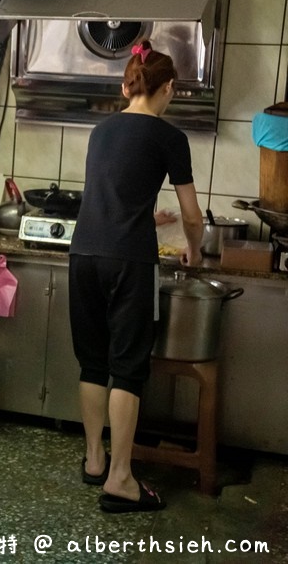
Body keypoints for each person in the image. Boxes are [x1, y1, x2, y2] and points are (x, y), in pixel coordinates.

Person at [68, 40, 204, 513]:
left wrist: (153, 218)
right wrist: (193, 249)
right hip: (130, 263)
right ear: (166, 88)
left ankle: (93, 460)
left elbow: (115, 201)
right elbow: (193, 216)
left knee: (92, 362)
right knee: (127, 367)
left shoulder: (101, 131)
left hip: (84, 252)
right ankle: (121, 479)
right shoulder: (170, 137)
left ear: (129, 85)